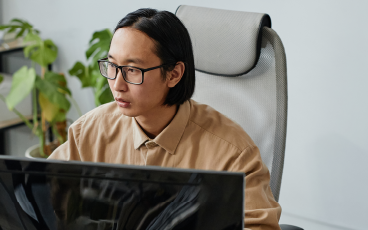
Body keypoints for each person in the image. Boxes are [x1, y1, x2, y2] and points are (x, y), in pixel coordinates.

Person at [49, 8, 281, 230]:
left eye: (132, 70)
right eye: (112, 66)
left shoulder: (232, 153)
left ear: (174, 74)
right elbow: (45, 199)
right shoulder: (89, 131)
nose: (117, 85)